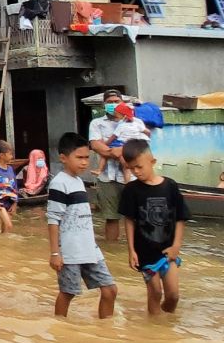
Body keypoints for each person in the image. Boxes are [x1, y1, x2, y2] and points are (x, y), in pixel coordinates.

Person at [47, 132, 117, 319]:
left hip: (89, 249)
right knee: (68, 293)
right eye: (79, 158)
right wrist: (55, 253)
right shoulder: (59, 183)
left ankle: (106, 332)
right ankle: (60, 327)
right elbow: (53, 219)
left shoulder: (78, 182)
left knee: (110, 290)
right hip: (70, 252)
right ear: (63, 158)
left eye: (87, 157)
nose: (85, 162)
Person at [120, 140, 190, 315]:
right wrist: (131, 250)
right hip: (145, 252)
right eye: (131, 168)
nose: (136, 172)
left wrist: (176, 246)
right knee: (155, 292)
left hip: (168, 250)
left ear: (152, 161)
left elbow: (180, 218)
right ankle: (155, 326)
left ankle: (165, 327)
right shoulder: (131, 190)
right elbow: (129, 220)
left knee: (173, 295)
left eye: (139, 167)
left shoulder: (170, 186)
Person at [88, 89, 127, 242]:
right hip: (107, 178)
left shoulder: (133, 122)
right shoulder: (97, 123)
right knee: (111, 217)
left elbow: (141, 144)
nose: (113, 105)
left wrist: (116, 151)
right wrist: (117, 152)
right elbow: (96, 145)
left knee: (136, 216)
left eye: (116, 102)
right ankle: (112, 250)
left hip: (131, 177)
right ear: (104, 105)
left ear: (122, 103)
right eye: (109, 102)